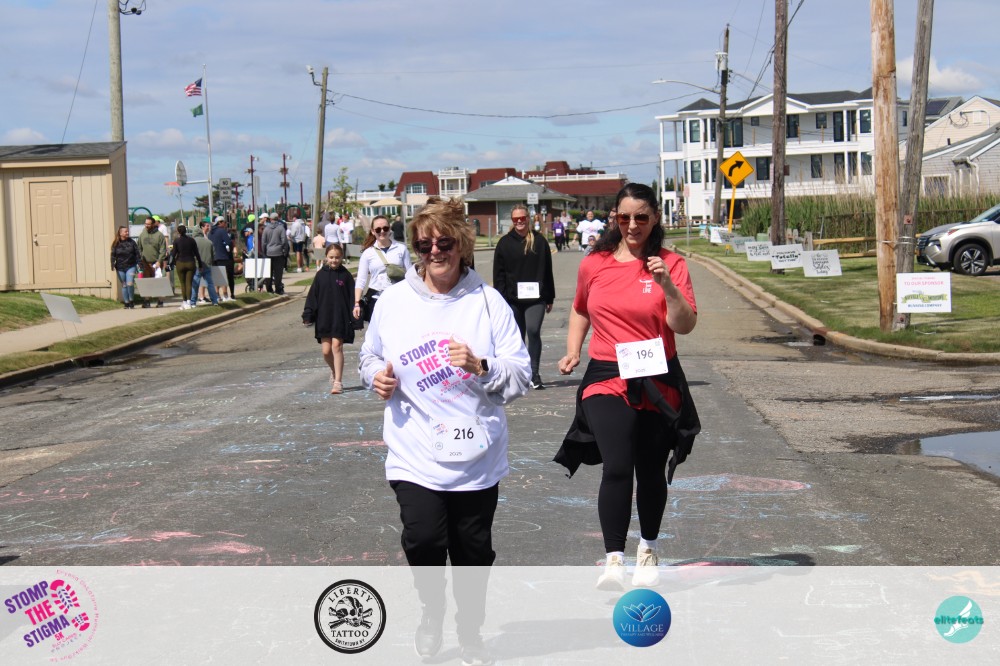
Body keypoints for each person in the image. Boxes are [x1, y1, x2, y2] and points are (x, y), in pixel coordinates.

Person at [358, 196, 530, 664]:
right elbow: (369, 355)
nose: (435, 252)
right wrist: (374, 377)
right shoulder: (393, 302)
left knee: (473, 552)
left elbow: (520, 375)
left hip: (477, 459)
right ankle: (431, 610)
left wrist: (482, 365)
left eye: (445, 243)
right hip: (414, 452)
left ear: (462, 245)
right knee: (424, 540)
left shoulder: (487, 303)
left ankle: (470, 629)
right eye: (424, 244)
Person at [555, 183, 701, 591]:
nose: (632, 225)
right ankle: (614, 560)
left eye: (641, 217)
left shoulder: (671, 263)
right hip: (607, 374)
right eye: (624, 217)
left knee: (650, 469)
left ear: (655, 218)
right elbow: (581, 309)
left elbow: (685, 325)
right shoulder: (595, 263)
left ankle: (648, 548)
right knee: (617, 464)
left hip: (656, 375)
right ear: (614, 219)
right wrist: (573, 351)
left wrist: (666, 285)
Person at [493, 204, 555, 390]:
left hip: (536, 298)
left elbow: (547, 270)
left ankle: (534, 373)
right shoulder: (504, 243)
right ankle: (519, 374)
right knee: (517, 337)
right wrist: (501, 298)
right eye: (515, 219)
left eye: (522, 218)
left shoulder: (539, 241)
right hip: (512, 299)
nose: (519, 222)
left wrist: (549, 297)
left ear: (528, 219)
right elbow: (499, 274)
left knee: (533, 330)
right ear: (512, 221)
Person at [303, 243, 356, 394]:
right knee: (326, 351)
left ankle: (338, 382)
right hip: (324, 316)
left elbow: (353, 298)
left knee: (337, 346)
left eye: (337, 257)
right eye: (331, 257)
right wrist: (308, 314)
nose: (334, 260)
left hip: (340, 316)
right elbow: (313, 296)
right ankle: (333, 370)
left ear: (342, 257)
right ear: (326, 257)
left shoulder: (346, 276)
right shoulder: (320, 275)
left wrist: (355, 317)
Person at [352, 215, 412, 324]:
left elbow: (410, 275)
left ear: (390, 229)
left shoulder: (401, 249)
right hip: (376, 299)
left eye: (385, 228)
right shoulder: (368, 253)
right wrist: (357, 303)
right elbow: (361, 280)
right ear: (373, 231)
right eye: (378, 229)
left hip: (398, 298)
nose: (382, 231)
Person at [171, 225, 205, 310]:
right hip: (190, 262)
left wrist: (172, 263)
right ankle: (189, 302)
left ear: (178, 232)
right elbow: (197, 253)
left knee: (182, 283)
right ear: (186, 231)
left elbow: (173, 253)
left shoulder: (176, 241)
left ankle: (184, 302)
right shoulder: (191, 240)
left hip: (180, 262)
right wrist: (200, 265)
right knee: (189, 283)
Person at [137, 217, 167, 307]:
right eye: (145, 224)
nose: (146, 225)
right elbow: (139, 248)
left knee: (158, 282)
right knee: (147, 282)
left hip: (156, 263)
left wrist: (159, 261)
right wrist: (140, 259)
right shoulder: (142, 234)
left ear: (153, 224)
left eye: (148, 224)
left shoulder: (159, 235)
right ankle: (147, 301)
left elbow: (163, 250)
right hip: (145, 263)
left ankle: (160, 301)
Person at [190, 221, 220, 307]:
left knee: (195, 284)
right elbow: (213, 254)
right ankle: (214, 301)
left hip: (197, 266)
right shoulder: (209, 242)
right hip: (207, 265)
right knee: (210, 284)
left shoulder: (193, 242)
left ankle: (193, 302)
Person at [110, 225, 140, 309]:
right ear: (120, 233)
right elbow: (113, 255)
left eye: (127, 231)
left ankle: (131, 300)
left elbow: (137, 253)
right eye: (125, 231)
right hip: (120, 267)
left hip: (131, 266)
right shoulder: (116, 243)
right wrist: (112, 264)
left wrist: (139, 263)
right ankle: (126, 303)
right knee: (124, 285)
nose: (127, 233)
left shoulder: (132, 242)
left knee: (130, 283)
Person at [261, 211, 290, 295]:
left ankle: (269, 289)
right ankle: (278, 289)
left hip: (269, 252)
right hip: (278, 252)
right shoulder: (281, 228)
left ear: (270, 219)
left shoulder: (266, 229)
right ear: (278, 219)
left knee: (268, 272)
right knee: (278, 273)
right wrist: (285, 251)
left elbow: (263, 242)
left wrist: (264, 252)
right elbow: (284, 241)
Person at [208, 216, 235, 302]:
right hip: (223, 256)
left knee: (217, 276)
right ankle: (225, 295)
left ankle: (217, 295)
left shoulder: (210, 233)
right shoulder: (222, 231)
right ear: (220, 222)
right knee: (223, 276)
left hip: (214, 257)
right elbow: (228, 242)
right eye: (224, 222)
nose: (225, 224)